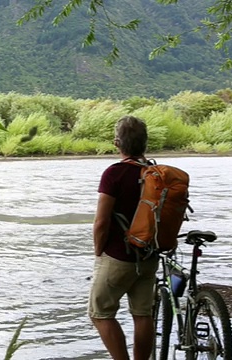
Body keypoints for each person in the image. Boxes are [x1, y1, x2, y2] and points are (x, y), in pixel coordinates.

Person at [88, 115, 158, 360]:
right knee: (142, 314)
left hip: (118, 256)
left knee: (100, 313)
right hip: (149, 255)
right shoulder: (156, 173)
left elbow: (101, 221)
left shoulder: (114, 174)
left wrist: (98, 251)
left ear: (117, 143)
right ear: (145, 143)